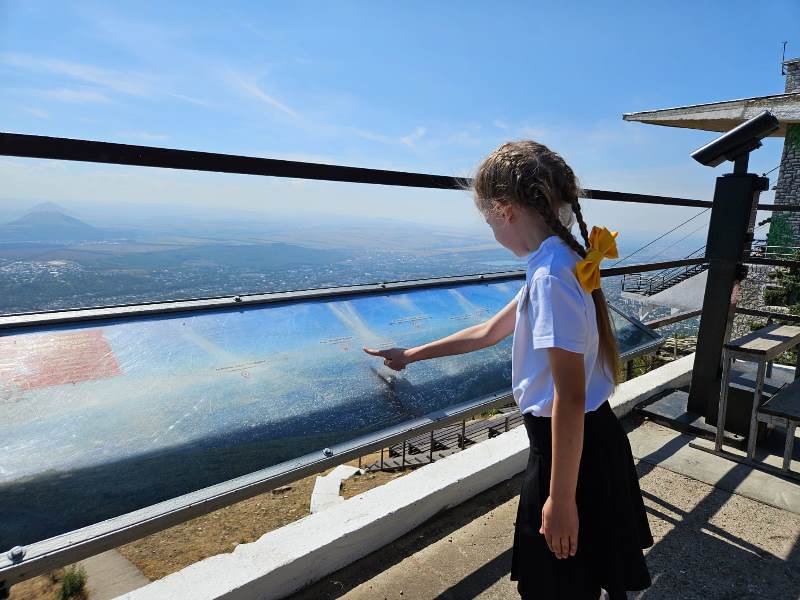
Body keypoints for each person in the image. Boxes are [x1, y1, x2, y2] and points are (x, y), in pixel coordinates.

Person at [363, 141, 653, 599]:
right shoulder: (560, 261)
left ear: (505, 211)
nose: (491, 230)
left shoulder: (551, 277)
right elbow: (488, 332)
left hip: (567, 455)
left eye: (488, 220)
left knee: (558, 585)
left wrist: (561, 500)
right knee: (583, 579)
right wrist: (411, 353)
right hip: (589, 442)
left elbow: (569, 395)